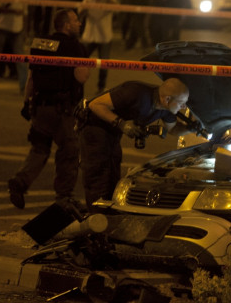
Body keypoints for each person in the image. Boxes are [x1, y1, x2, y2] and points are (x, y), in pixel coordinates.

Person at [7, 9, 90, 210]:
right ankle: (64, 197)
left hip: (40, 108)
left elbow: (32, 77)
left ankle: (20, 182)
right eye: (76, 21)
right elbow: (81, 77)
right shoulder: (74, 46)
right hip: (63, 112)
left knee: (39, 149)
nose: (79, 24)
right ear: (66, 25)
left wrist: (27, 103)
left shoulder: (40, 44)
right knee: (69, 152)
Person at [79, 78, 192, 210]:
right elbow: (95, 105)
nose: (184, 107)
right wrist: (121, 124)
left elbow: (173, 129)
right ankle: (95, 217)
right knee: (99, 174)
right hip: (95, 127)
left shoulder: (165, 108)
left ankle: (107, 214)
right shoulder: (135, 92)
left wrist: (193, 128)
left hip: (112, 133)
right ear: (167, 99)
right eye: (181, 103)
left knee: (112, 173)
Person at [80, 0, 119, 93]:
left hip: (104, 37)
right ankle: (79, 83)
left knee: (104, 64)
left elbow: (117, 10)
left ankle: (101, 87)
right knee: (81, 60)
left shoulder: (110, 0)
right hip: (90, 36)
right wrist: (85, 8)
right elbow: (80, 13)